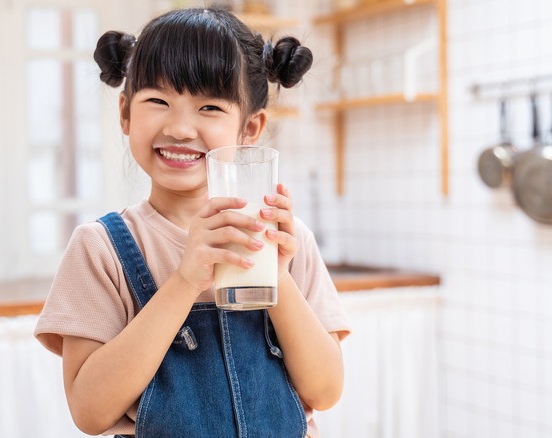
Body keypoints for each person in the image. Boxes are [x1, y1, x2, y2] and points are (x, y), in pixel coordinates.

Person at [34, 7, 351, 437]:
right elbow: (90, 412)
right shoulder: (101, 248)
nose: (181, 128)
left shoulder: (287, 242)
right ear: (125, 113)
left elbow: (326, 391)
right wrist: (184, 281)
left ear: (250, 127)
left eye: (209, 107)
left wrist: (277, 281)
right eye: (158, 101)